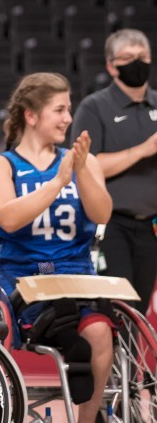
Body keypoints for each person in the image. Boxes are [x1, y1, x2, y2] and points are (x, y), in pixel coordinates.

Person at [0, 73, 113, 423]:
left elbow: (102, 212)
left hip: (76, 276)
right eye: (59, 109)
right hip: (24, 281)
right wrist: (58, 182)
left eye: (68, 109)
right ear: (31, 115)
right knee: (16, 326)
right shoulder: (0, 165)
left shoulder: (84, 160)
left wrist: (80, 169)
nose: (68, 118)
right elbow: (8, 218)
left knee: (99, 332)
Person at [70, 29, 157, 314]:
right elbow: (83, 164)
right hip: (111, 225)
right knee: (117, 305)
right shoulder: (95, 106)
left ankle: (132, 348)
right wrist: (143, 149)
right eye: (128, 57)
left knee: (140, 309)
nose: (137, 62)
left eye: (143, 56)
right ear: (111, 66)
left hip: (151, 225)